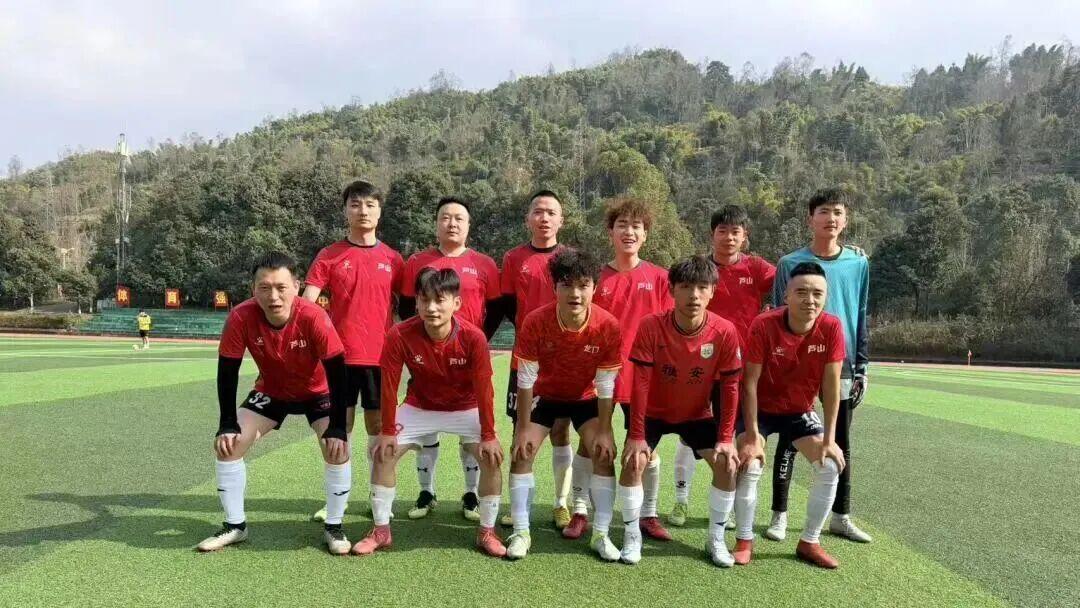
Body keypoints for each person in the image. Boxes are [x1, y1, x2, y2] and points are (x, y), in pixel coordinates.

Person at [196, 252, 353, 555]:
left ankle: (334, 526)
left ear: (296, 286)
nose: (274, 296)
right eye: (264, 288)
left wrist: (337, 426)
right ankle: (234, 525)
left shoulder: (313, 316)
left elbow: (338, 374)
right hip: (272, 391)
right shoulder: (241, 316)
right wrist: (227, 423)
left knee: (336, 448)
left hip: (318, 392)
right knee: (228, 445)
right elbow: (227, 372)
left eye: (281, 287)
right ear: (253, 289)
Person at [352, 268, 507, 558]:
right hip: (419, 405)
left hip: (465, 407)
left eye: (439, 300)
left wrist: (488, 434)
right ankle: (381, 530)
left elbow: (485, 389)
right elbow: (389, 385)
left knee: (491, 457)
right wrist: (387, 431)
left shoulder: (473, 337)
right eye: (424, 300)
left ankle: (487, 531)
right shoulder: (400, 334)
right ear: (417, 303)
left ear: (456, 303)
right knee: (382, 452)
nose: (432, 308)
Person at [618, 256, 743, 566]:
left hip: (696, 415)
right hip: (653, 413)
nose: (694, 295)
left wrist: (726, 438)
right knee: (634, 461)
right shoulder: (651, 326)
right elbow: (640, 384)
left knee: (727, 465)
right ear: (672, 289)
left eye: (702, 287)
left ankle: (716, 538)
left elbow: (730, 388)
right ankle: (632, 535)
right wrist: (636, 435)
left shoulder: (725, 331)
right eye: (686, 287)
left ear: (713, 290)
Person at [766, 189, 871, 544]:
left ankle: (841, 516)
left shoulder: (858, 263)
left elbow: (861, 313)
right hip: (797, 362)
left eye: (837, 212)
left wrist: (862, 366)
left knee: (840, 440)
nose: (831, 218)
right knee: (790, 435)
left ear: (846, 220)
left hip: (842, 363)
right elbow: (778, 314)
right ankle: (779, 514)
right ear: (810, 218)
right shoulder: (789, 263)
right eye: (823, 211)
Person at [505, 248, 622, 560]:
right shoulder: (536, 321)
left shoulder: (607, 325)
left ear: (594, 287)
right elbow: (526, 378)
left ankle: (601, 535)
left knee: (603, 453)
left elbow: (606, 384)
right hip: (546, 396)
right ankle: (521, 532)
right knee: (522, 451)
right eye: (566, 285)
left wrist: (606, 430)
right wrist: (522, 428)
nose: (575, 293)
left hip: (585, 398)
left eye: (583, 285)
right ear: (554, 286)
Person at [732, 261, 847, 568]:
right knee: (749, 464)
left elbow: (831, 387)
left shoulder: (832, 327)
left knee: (829, 465)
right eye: (802, 292)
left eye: (817, 293)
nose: (810, 300)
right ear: (786, 295)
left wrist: (830, 440)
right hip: (760, 410)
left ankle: (809, 542)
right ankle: (744, 540)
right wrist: (752, 436)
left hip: (798, 411)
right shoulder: (764, 324)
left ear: (825, 297)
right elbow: (749, 383)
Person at [303, 180, 404, 523]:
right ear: (345, 210)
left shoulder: (393, 258)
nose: (363, 211)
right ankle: (337, 500)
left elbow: (408, 309)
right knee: (338, 428)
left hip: (381, 360)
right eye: (356, 204)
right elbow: (307, 303)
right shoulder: (329, 255)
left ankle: (378, 498)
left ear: (380, 211)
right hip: (338, 360)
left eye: (370, 205)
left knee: (378, 428)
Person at [397, 197, 501, 522]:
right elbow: (406, 306)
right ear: (436, 223)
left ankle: (471, 494)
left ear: (469, 225)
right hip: (427, 357)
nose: (452, 223)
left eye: (459, 218)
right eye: (445, 217)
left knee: (470, 429)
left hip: (467, 357)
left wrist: (476, 341)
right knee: (426, 425)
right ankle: (427, 491)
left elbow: (496, 308)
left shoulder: (484, 264)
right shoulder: (417, 261)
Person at [670, 204, 774, 528]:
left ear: (745, 236)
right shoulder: (701, 271)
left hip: (740, 371)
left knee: (733, 436)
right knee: (689, 435)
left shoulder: (757, 268)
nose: (728, 237)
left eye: (735, 232)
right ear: (712, 234)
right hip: (700, 365)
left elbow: (793, 277)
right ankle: (681, 500)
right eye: (722, 231)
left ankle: (725, 507)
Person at [582, 197, 673, 543]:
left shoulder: (660, 278)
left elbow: (669, 329)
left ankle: (648, 513)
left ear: (645, 234)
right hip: (599, 377)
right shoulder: (595, 278)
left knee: (646, 448)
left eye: (636, 226)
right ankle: (581, 510)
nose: (629, 232)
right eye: (622, 225)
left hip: (644, 379)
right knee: (592, 445)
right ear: (610, 232)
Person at [497, 190, 573, 529]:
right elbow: (508, 305)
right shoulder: (514, 258)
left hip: (564, 361)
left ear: (561, 220)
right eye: (538, 211)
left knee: (560, 430)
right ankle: (520, 506)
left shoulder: (570, 258)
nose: (544, 218)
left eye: (551, 212)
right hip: (525, 360)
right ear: (528, 218)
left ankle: (560, 503)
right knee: (522, 430)